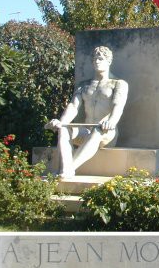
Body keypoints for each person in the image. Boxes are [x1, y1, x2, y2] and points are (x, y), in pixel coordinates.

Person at [45, 46, 128, 178]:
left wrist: (111, 121)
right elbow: (73, 106)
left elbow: (118, 106)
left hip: (107, 132)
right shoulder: (84, 85)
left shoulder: (118, 84)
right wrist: (61, 123)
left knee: (97, 130)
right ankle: (66, 169)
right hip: (85, 130)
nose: (97, 62)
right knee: (64, 130)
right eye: (95, 59)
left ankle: (69, 168)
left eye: (100, 59)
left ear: (109, 61)